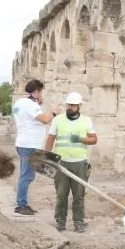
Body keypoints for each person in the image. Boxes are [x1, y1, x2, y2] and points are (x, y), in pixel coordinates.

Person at [43, 91, 97, 233]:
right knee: (61, 195)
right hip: (61, 163)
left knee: (79, 195)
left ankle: (78, 222)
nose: (70, 108)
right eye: (69, 105)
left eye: (73, 106)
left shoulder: (86, 121)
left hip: (80, 163)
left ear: (79, 107)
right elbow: (50, 139)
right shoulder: (58, 120)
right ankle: (60, 221)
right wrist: (47, 157)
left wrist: (80, 139)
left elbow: (94, 139)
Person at [12, 79, 59, 216]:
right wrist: (54, 113)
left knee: (26, 175)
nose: (41, 94)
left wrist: (37, 104)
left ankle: (23, 203)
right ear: (36, 92)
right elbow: (45, 119)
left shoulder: (20, 103)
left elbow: (27, 118)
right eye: (40, 92)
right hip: (29, 144)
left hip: (23, 143)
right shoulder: (31, 105)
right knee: (26, 176)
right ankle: (21, 205)